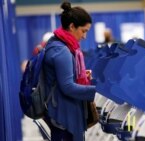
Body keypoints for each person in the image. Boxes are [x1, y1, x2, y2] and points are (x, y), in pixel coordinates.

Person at [43, 1, 96, 141]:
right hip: (64, 116)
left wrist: (81, 75)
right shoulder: (61, 50)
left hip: (61, 113)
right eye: (83, 31)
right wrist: (95, 91)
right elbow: (67, 86)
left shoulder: (57, 43)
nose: (84, 36)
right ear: (72, 26)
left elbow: (61, 76)